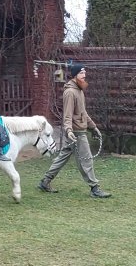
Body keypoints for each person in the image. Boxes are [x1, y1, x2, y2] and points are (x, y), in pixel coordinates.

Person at [38, 64, 112, 198]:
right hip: (76, 133)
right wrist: (69, 131)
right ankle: (94, 188)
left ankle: (45, 181)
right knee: (86, 160)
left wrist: (93, 127)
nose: (84, 75)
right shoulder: (70, 92)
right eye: (81, 73)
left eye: (85, 73)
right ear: (75, 75)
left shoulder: (79, 90)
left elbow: (83, 113)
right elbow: (67, 115)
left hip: (77, 130)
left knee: (62, 157)